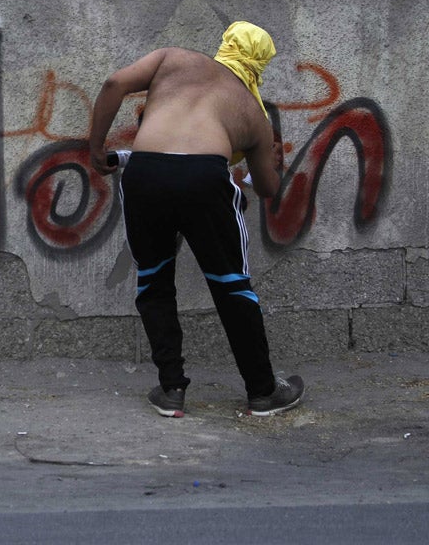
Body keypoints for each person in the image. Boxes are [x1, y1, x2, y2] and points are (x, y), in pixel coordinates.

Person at [89, 21, 304, 418]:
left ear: (226, 43)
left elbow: (112, 85)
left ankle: (171, 390)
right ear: (260, 64)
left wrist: (97, 147)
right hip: (205, 181)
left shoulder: (173, 59)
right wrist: (274, 161)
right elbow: (269, 188)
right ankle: (262, 392)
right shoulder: (252, 113)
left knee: (153, 280)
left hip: (145, 174)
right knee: (231, 285)